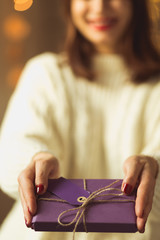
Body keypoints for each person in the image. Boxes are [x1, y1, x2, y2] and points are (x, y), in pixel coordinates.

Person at [0, 0, 160, 239]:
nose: (98, 7)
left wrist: (155, 169)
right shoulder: (45, 73)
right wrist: (34, 159)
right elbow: (10, 155)